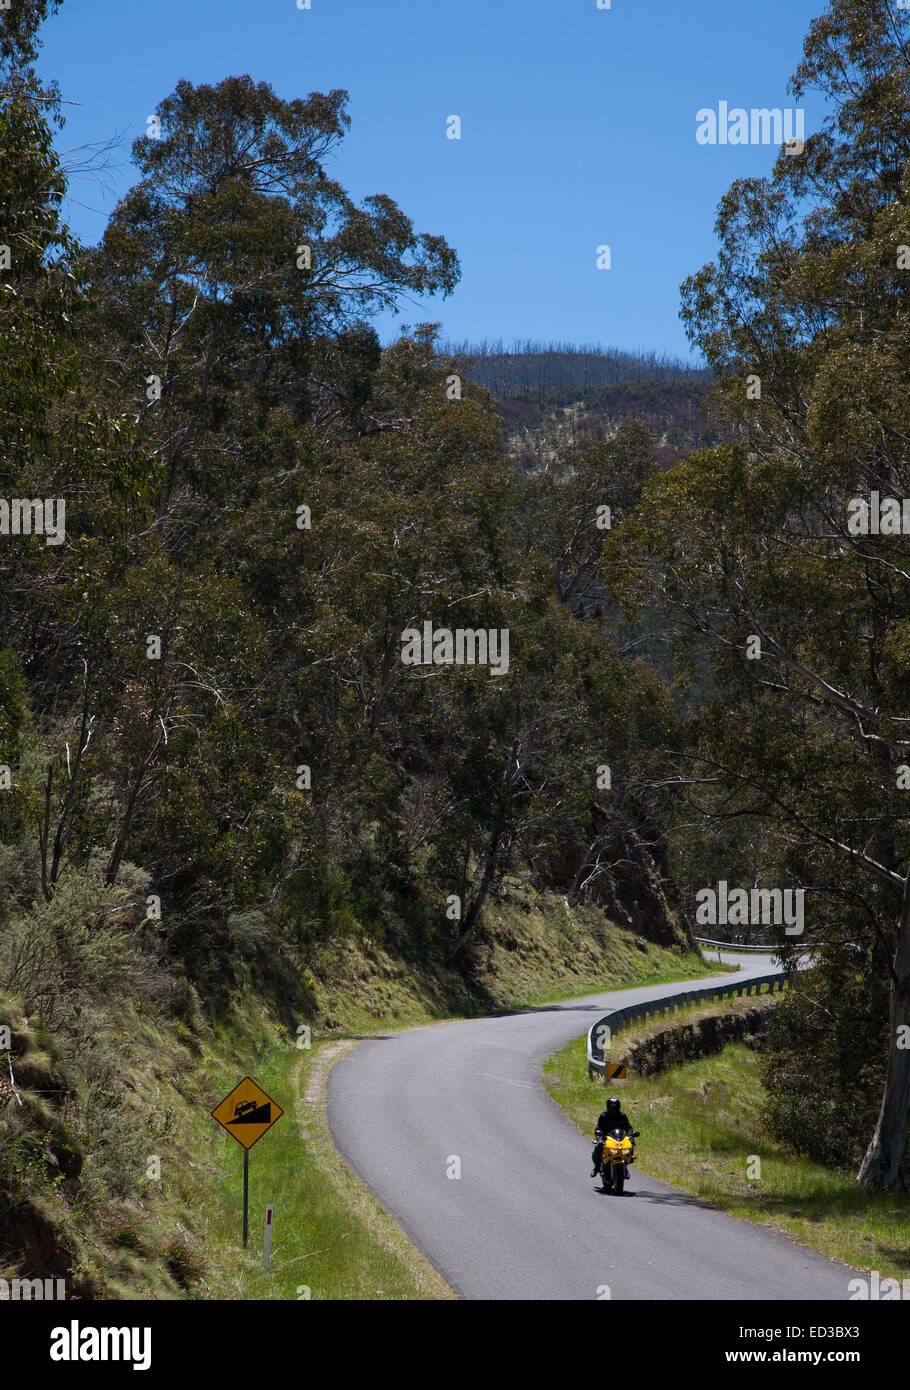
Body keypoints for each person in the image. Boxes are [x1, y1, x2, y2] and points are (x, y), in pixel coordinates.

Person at [591, 1095, 634, 1177]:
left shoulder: (622, 1116)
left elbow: (628, 1128)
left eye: (615, 1107)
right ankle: (596, 1167)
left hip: (619, 1138)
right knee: (598, 1148)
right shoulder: (604, 1116)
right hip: (607, 1138)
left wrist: (631, 1138)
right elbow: (598, 1129)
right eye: (611, 1107)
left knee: (629, 1146)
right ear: (608, 1107)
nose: (613, 1109)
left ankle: (625, 1165)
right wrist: (600, 1139)